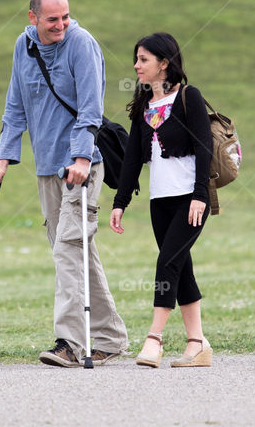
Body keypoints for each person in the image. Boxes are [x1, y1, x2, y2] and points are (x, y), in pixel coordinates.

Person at [0, 0, 128, 367]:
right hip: (46, 167)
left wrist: (81, 156)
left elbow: (91, 107)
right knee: (76, 250)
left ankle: (69, 342)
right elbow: (15, 104)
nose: (61, 25)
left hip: (83, 166)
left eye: (65, 17)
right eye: (53, 19)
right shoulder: (24, 46)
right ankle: (111, 337)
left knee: (68, 248)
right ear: (32, 18)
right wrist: (4, 158)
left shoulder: (82, 44)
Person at [109, 33, 213, 368]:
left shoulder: (188, 97)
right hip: (160, 201)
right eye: (136, 60)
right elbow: (132, 160)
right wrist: (120, 201)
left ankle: (154, 340)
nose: (137, 66)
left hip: (189, 199)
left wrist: (200, 195)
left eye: (144, 60)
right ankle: (197, 344)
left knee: (166, 264)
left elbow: (204, 148)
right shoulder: (143, 105)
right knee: (180, 268)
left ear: (164, 63)